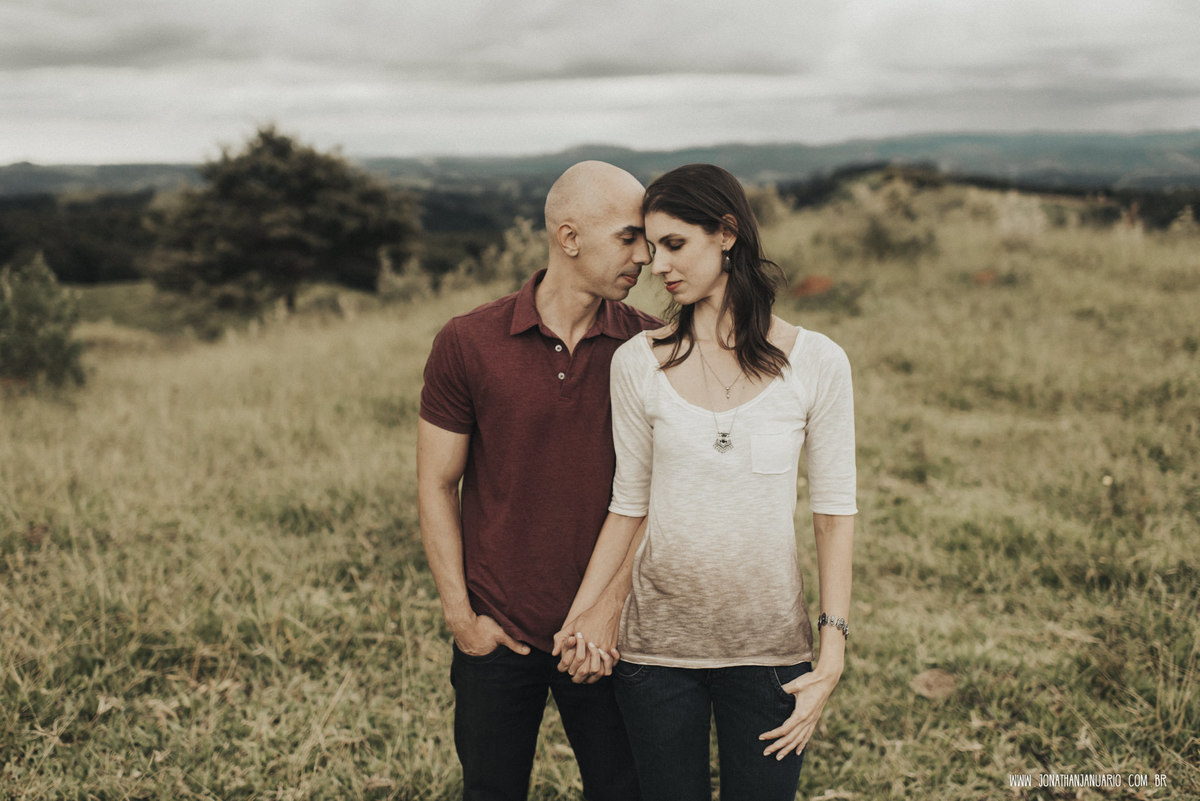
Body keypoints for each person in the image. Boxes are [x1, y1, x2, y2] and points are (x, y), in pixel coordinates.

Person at [552, 163, 857, 801]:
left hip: (773, 654)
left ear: (726, 234)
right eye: (648, 245)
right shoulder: (637, 363)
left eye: (673, 244)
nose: (656, 264)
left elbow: (833, 513)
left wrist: (831, 651)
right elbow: (628, 504)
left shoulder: (818, 363)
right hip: (656, 655)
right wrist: (585, 615)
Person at [417, 160, 659, 801]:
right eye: (629, 237)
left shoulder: (656, 348)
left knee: (624, 791)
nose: (647, 256)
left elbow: (665, 496)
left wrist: (607, 615)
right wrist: (462, 619)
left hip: (613, 636)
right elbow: (437, 484)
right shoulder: (468, 343)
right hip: (499, 636)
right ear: (570, 237)